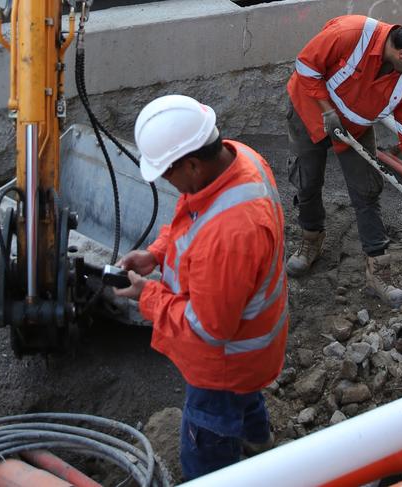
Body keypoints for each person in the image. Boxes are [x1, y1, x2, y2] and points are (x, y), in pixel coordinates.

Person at [113, 94, 288, 480]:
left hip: (224, 362)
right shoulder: (237, 159)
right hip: (251, 349)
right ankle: (260, 451)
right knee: (247, 399)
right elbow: (190, 217)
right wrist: (157, 254)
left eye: (167, 174)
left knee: (206, 448)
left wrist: (148, 296)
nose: (167, 183)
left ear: (192, 163)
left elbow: (208, 329)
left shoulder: (230, 235)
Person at [285, 15, 402, 308]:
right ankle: (311, 238)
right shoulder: (350, 33)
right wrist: (327, 110)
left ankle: (379, 271)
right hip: (311, 111)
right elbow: (306, 65)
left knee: (367, 191)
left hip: (355, 129)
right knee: (308, 180)